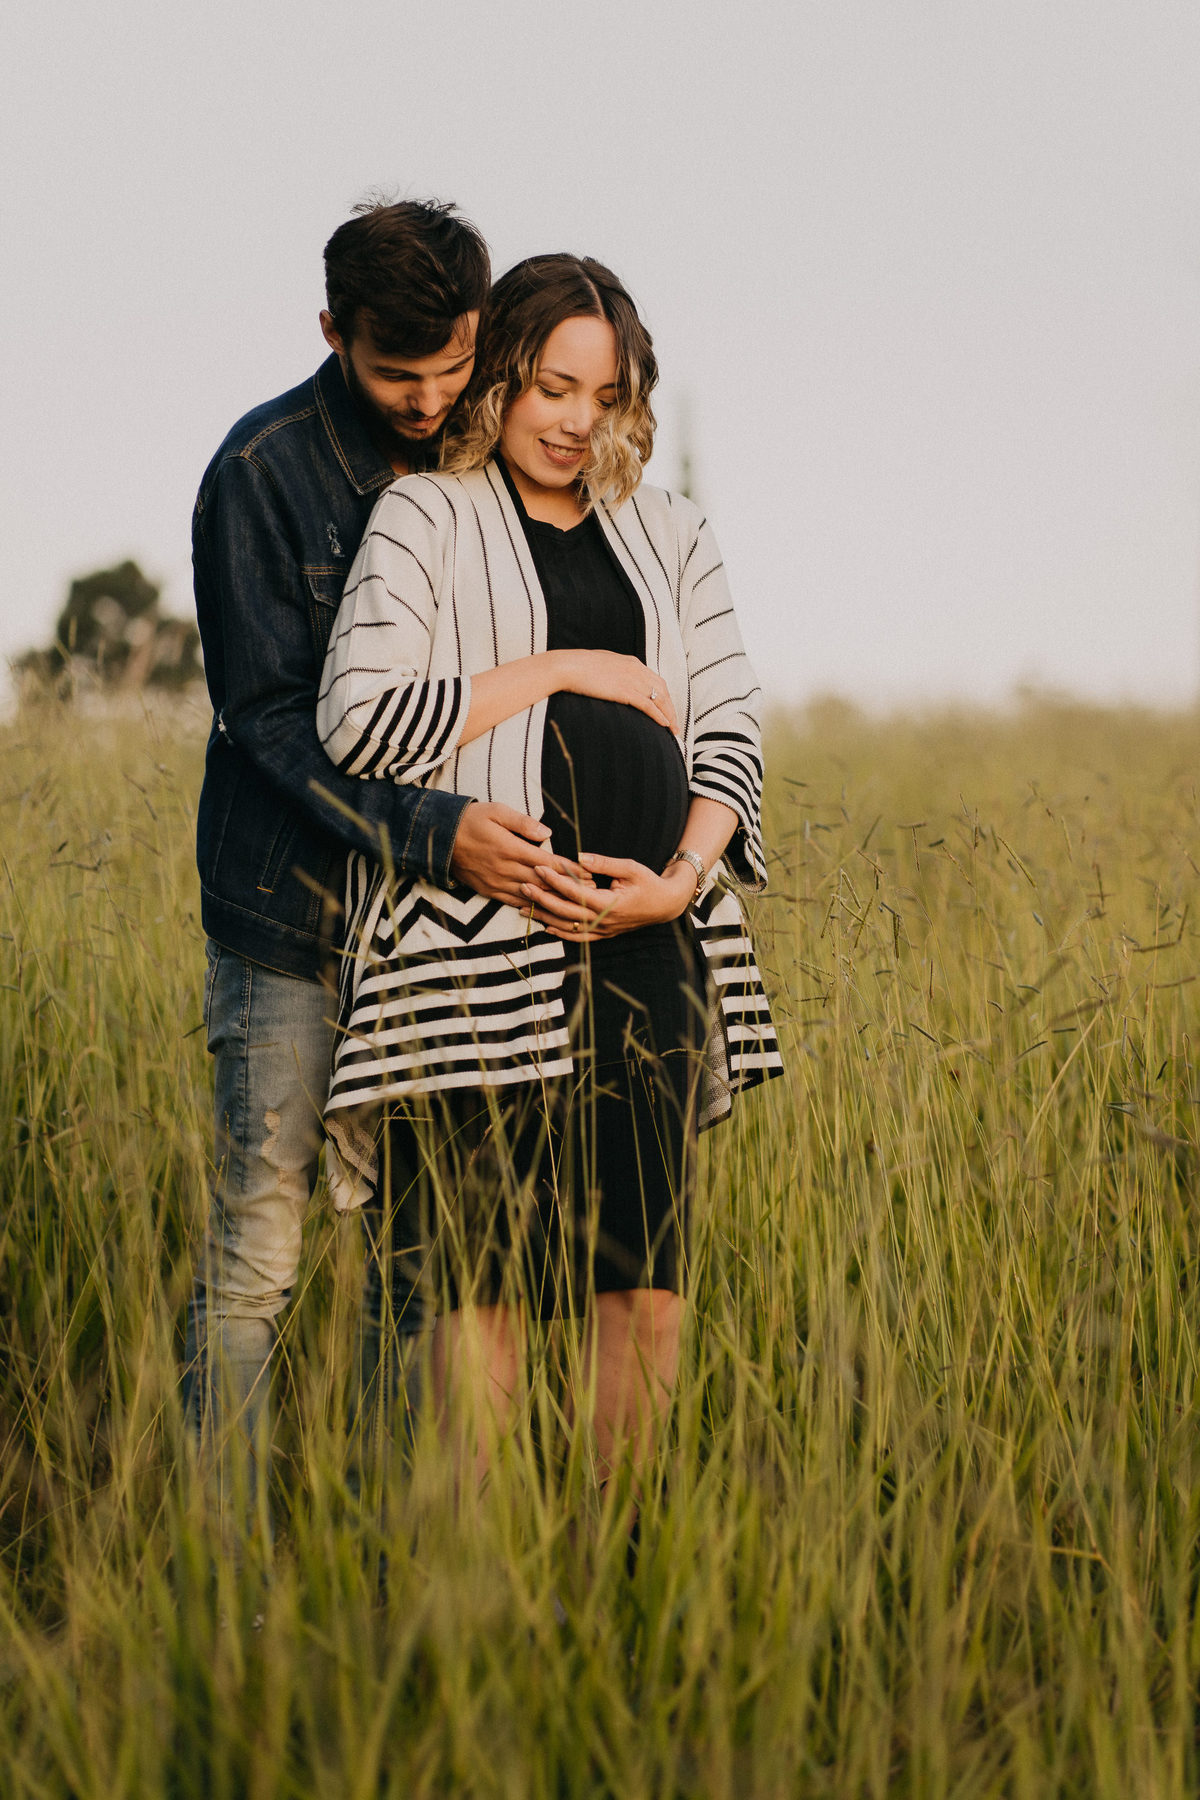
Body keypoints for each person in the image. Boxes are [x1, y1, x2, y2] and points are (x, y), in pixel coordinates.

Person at [316, 254, 783, 1489]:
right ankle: (482, 1591)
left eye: (605, 393)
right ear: (500, 378)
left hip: (650, 943)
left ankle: (619, 1566)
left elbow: (729, 724)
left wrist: (681, 877)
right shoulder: (426, 516)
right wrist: (558, 670)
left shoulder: (669, 527)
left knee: (643, 1281)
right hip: (473, 953)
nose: (577, 421)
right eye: (551, 388)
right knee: (483, 1286)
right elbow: (357, 719)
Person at [186, 203, 595, 1528]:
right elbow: (265, 721)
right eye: (393, 373)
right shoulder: (259, 470)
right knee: (261, 1256)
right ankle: (225, 1592)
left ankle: (383, 1573)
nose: (428, 400)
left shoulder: (493, 450)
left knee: (419, 1267)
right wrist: (434, 832)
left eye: (451, 365)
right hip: (295, 918)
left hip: (454, 935)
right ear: (331, 336)